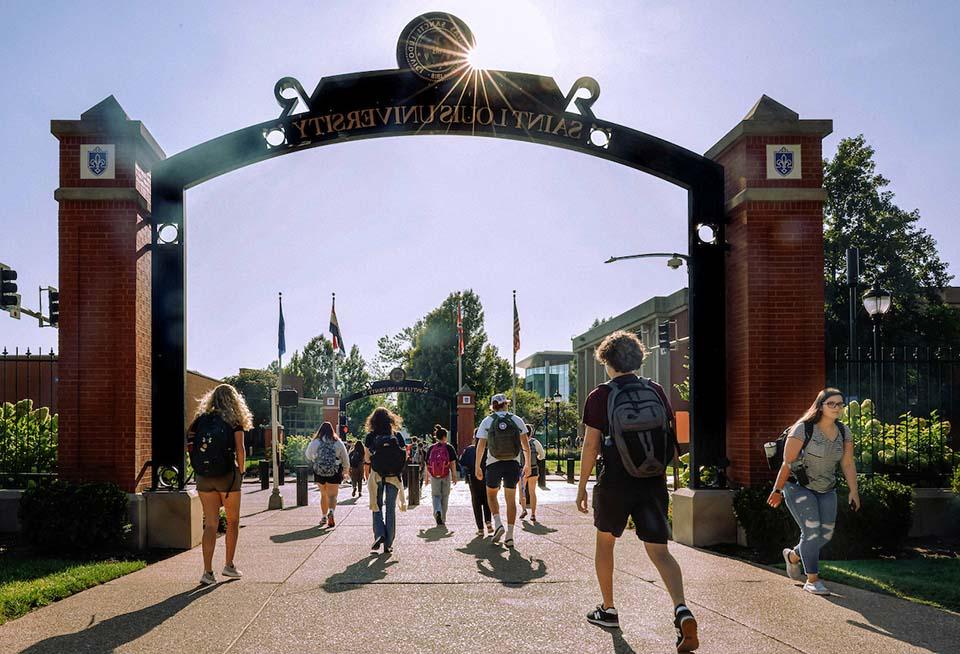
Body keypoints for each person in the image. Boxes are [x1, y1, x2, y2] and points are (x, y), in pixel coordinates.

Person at [576, 330, 698, 652]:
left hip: (615, 481)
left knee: (605, 543)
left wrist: (582, 486)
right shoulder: (656, 390)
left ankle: (609, 609)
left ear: (607, 362)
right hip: (652, 481)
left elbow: (590, 445)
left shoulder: (600, 396)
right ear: (638, 359)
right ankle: (681, 609)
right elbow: (672, 438)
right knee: (660, 551)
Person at [767, 388, 859, 595]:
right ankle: (812, 580)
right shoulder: (802, 429)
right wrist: (777, 490)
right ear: (820, 406)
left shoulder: (844, 432)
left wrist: (854, 491)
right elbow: (787, 463)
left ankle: (793, 556)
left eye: (840, 404)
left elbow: (847, 463)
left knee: (824, 535)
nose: (837, 408)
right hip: (799, 487)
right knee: (811, 531)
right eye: (831, 404)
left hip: (827, 489)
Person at [186, 383, 252, 586]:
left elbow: (190, 447)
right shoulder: (234, 422)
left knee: (211, 523)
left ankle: (207, 571)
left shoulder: (199, 422)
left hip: (204, 477)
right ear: (234, 400)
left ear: (212, 399)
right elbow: (240, 450)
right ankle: (229, 565)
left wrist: (200, 466)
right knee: (232, 521)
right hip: (227, 476)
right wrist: (240, 471)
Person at [475, 393, 530, 548]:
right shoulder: (516, 420)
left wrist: (477, 466)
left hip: (493, 463)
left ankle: (498, 523)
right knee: (510, 499)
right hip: (512, 463)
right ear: (506, 404)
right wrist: (527, 464)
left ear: (492, 406)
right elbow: (525, 445)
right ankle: (510, 536)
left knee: (491, 495)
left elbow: (481, 446)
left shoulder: (487, 421)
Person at [364, 407, 407, 554]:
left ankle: (379, 534)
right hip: (394, 477)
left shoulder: (370, 437)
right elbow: (404, 456)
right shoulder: (397, 435)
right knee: (390, 509)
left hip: (376, 476)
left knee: (376, 506)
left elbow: (367, 459)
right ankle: (388, 545)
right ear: (390, 419)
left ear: (373, 421)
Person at [305, 421, 351, 527]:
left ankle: (324, 516)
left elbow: (308, 455)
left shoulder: (315, 442)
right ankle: (331, 512)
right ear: (332, 430)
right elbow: (345, 457)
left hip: (319, 472)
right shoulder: (337, 442)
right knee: (332, 495)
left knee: (323, 494)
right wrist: (346, 470)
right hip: (334, 471)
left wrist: (315, 459)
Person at [424, 424, 459, 526]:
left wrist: (427, 478)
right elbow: (452, 462)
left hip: (434, 475)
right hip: (445, 474)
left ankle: (437, 511)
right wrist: (454, 476)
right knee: (445, 496)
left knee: (435, 496)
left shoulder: (431, 448)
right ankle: (443, 519)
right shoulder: (449, 447)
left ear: (436, 436)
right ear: (445, 436)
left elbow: (427, 464)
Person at [460, 435, 492, 536]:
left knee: (476, 503)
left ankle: (480, 529)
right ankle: (488, 521)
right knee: (488, 500)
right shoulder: (489, 450)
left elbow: (462, 462)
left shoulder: (469, 450)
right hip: (487, 478)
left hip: (473, 479)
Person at [519, 424, 546, 522]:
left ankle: (523, 510)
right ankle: (533, 514)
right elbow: (542, 455)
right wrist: (537, 458)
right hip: (534, 469)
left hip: (522, 469)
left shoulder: (519, 442)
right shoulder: (535, 442)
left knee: (522, 491)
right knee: (532, 492)